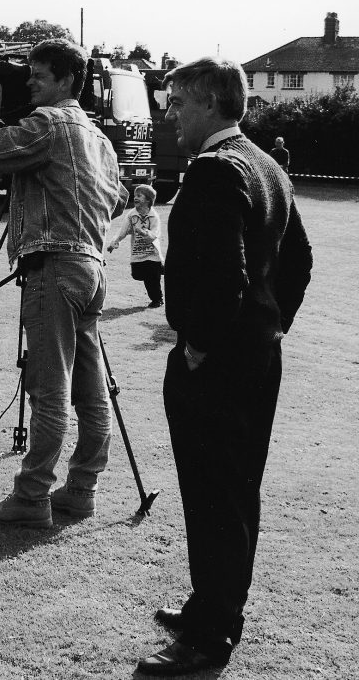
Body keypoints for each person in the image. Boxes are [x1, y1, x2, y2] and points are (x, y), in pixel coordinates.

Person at [136, 58, 312, 676]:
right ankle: (211, 606)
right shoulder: (266, 165)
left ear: (210, 102)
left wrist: (201, 344)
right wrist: (271, 325)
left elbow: (222, 275)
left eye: (177, 101)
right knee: (232, 491)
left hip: (217, 363)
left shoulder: (215, 169)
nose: (169, 112)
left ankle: (211, 632)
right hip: (258, 357)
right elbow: (298, 264)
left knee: (215, 493)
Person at [0, 39, 127, 527]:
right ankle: (82, 490)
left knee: (49, 389)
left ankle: (32, 496)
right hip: (91, 266)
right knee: (91, 389)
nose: (29, 83)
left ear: (63, 80)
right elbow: (118, 197)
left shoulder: (49, 124)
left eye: (37, 75)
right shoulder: (97, 137)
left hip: (53, 265)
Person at [107, 184, 165, 307]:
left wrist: (143, 232)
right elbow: (122, 231)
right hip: (138, 253)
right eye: (135, 195)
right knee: (137, 275)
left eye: (139, 196)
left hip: (152, 253)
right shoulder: (132, 215)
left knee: (152, 279)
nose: (136, 198)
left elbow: (154, 235)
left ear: (148, 200)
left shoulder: (154, 216)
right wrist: (114, 243)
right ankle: (160, 271)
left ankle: (157, 299)